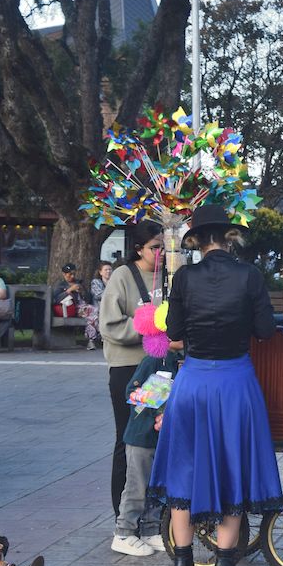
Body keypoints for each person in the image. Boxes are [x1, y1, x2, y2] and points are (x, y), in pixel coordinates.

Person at [148, 204, 281, 566]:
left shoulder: (184, 277)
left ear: (196, 240)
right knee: (232, 469)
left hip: (192, 382)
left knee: (183, 472)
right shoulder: (249, 275)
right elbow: (266, 331)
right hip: (235, 382)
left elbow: (173, 330)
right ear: (229, 237)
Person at [100, 222, 164, 519]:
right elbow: (109, 325)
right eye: (155, 247)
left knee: (156, 436)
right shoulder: (122, 276)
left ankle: (153, 514)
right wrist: (148, 327)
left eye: (165, 246)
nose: (161, 252)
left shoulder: (171, 275)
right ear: (138, 248)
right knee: (129, 437)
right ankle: (122, 514)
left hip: (161, 370)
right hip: (128, 368)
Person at [111, 350, 180, 557]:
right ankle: (124, 532)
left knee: (155, 487)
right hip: (141, 436)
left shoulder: (178, 361)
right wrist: (158, 406)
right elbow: (131, 393)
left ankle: (151, 529)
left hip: (159, 437)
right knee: (137, 486)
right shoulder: (152, 361)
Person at [85, 261, 112, 350]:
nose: (108, 271)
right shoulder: (96, 282)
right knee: (94, 314)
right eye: (106, 270)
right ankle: (91, 340)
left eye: (110, 269)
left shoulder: (115, 282)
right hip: (99, 307)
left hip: (112, 307)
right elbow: (98, 295)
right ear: (100, 272)